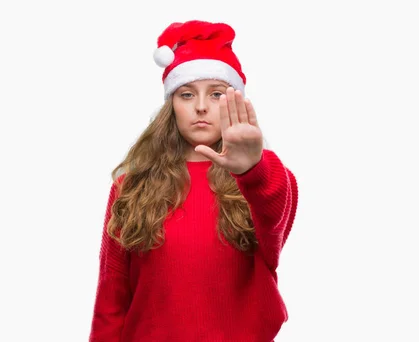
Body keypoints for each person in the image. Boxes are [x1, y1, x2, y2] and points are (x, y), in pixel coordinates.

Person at [88, 20, 299, 342]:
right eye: (187, 94)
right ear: (171, 105)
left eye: (216, 94)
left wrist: (250, 169)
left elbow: (273, 214)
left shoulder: (265, 180)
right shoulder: (131, 186)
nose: (200, 106)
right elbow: (112, 291)